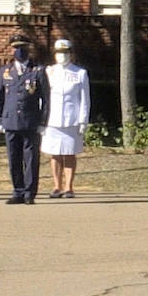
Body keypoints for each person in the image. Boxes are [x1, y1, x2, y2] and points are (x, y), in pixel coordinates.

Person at [0, 33, 49, 205]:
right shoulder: (5, 71)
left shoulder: (38, 71)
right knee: (13, 158)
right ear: (12, 50)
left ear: (28, 50)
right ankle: (17, 191)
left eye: (22, 48)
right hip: (10, 122)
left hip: (31, 122)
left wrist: (43, 122)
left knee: (31, 159)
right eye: (16, 48)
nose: (19, 51)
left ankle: (29, 193)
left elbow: (46, 99)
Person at [42, 39, 90, 198]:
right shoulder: (49, 72)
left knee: (70, 153)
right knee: (55, 154)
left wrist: (83, 120)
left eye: (65, 53)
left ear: (71, 54)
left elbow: (85, 99)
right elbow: (43, 98)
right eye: (59, 53)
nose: (62, 56)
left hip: (72, 120)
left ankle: (69, 187)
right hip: (52, 120)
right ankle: (57, 186)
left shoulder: (79, 73)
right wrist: (41, 119)